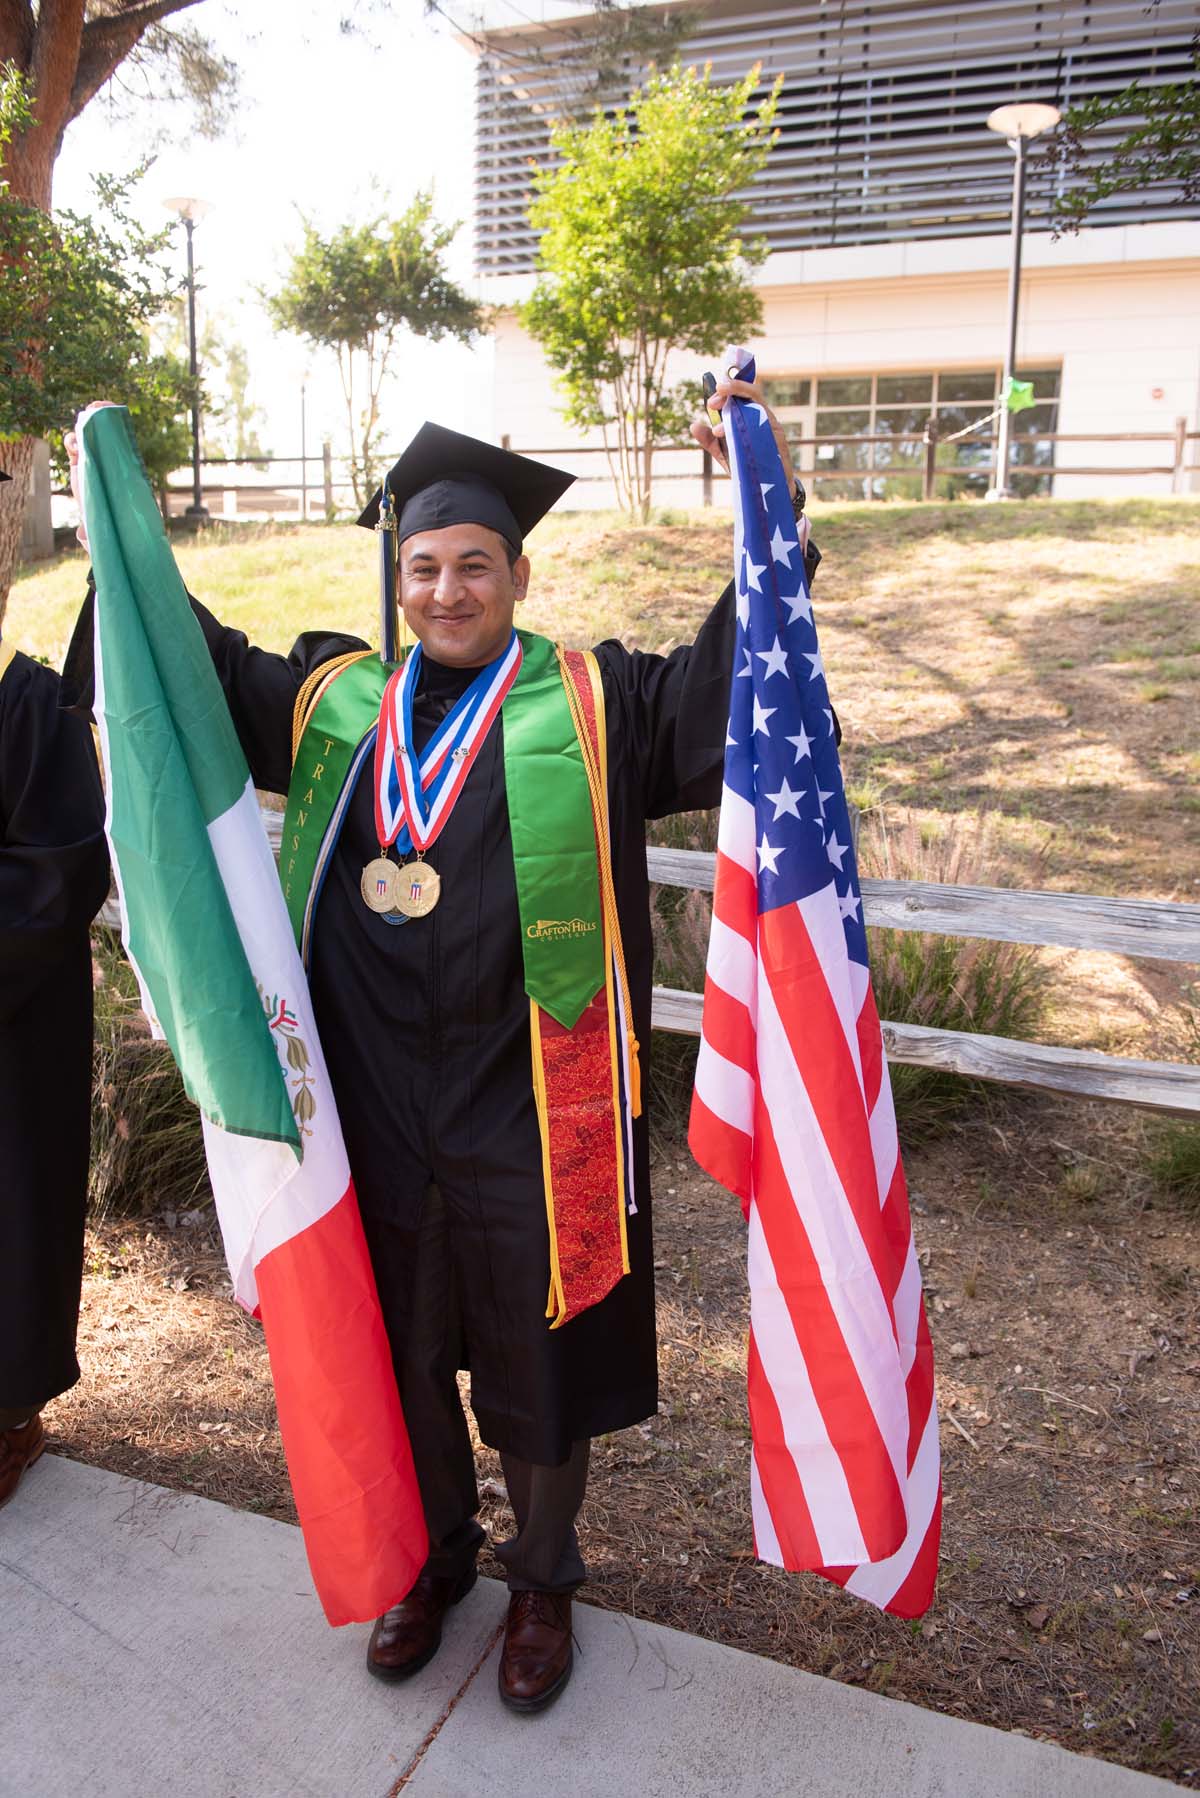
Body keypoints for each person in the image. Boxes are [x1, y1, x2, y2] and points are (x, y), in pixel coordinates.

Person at [63, 375, 823, 1710]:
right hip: (371, 1103)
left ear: (519, 572)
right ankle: (434, 1562)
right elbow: (185, 669)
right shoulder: (332, 703)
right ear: (397, 575)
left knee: (539, 1352)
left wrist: (768, 498)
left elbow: (732, 686)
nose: (448, 589)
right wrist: (113, 518)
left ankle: (541, 1579)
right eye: (424, 565)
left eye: (475, 563)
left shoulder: (597, 705)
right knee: (400, 1343)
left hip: (533, 1106)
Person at [0, 522, 110, 1504]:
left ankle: (10, 1416)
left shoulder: (29, 706)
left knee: (12, 1218)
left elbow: (57, 875)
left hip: (11, 1031)